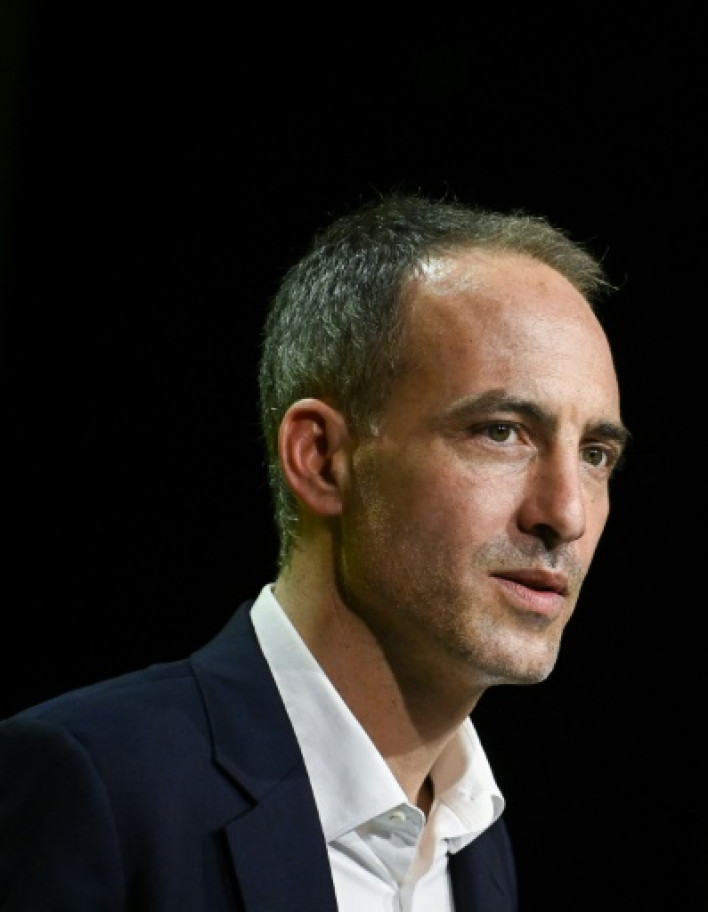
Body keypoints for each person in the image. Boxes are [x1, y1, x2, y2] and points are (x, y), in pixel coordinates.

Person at [0, 192, 629, 911]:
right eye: (501, 432)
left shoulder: (478, 842)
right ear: (322, 457)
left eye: (596, 454)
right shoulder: (95, 789)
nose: (566, 514)